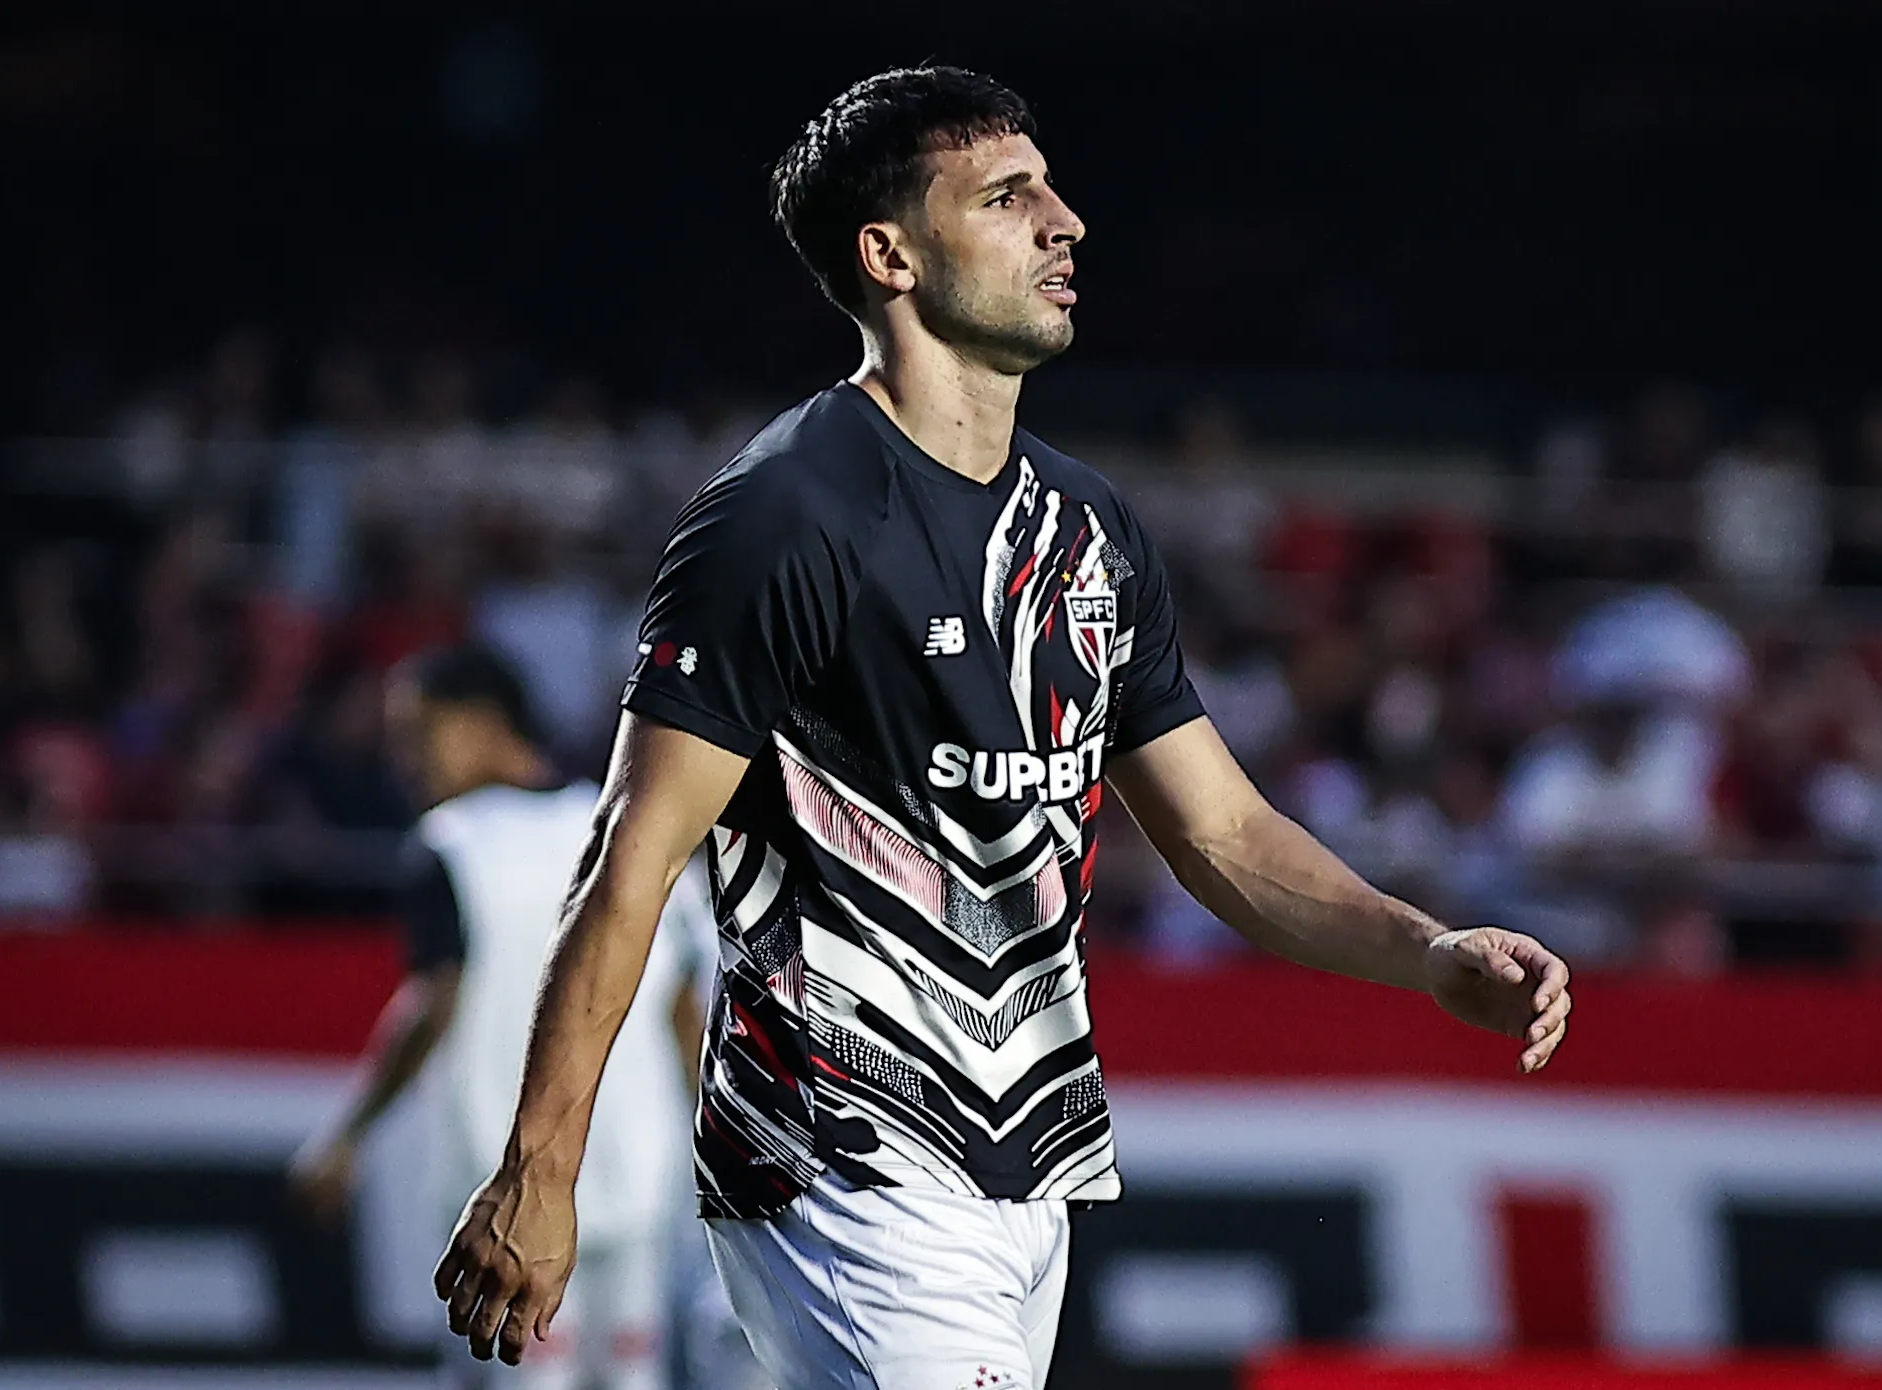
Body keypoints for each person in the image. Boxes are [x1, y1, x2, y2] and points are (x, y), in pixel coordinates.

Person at [431, 66, 1573, 1390]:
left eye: (1052, 187)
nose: (1066, 220)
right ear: (889, 255)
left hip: (1032, 1176)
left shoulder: (1089, 532)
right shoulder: (783, 518)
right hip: (844, 1157)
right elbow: (627, 860)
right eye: (1008, 195)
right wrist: (538, 1171)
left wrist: (1426, 951)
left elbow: (1224, 834)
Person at [289, 645, 742, 1389]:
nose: (403, 762)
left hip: (504, 1187)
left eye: (416, 733)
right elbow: (684, 1013)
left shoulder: (452, 845)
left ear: (480, 724)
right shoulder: (627, 830)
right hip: (635, 1175)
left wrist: (347, 1136)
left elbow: (433, 1005)